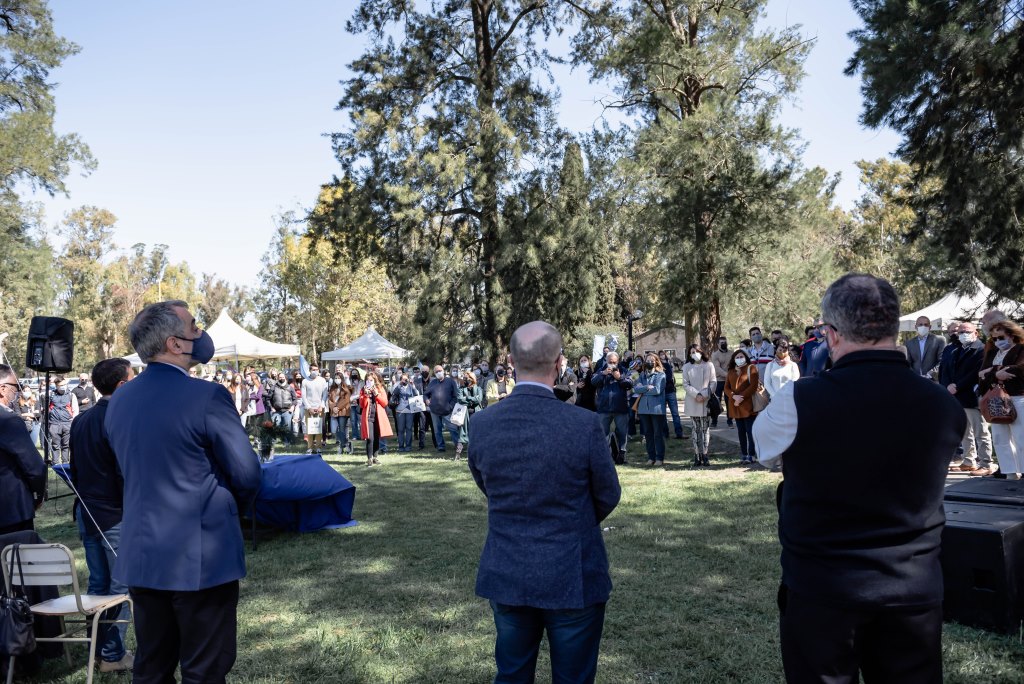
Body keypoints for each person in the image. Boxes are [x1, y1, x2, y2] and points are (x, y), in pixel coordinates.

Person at [754, 273, 965, 683]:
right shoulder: (941, 405)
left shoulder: (799, 400)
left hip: (823, 589)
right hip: (912, 588)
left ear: (831, 336)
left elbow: (765, 454)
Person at [104, 300, 261, 682]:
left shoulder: (119, 400)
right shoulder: (206, 397)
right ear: (175, 344)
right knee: (204, 669)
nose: (200, 334)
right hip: (201, 557)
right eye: (194, 327)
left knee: (153, 666)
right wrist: (226, 507)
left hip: (142, 556)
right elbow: (247, 474)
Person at [468, 321, 621, 684]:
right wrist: (574, 521)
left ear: (510, 361)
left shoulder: (483, 424)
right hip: (572, 567)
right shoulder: (583, 424)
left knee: (512, 673)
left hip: (509, 565)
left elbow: (486, 483)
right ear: (559, 363)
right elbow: (608, 494)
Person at [69, 358, 135, 673]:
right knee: (120, 588)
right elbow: (126, 472)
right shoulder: (120, 418)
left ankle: (98, 650)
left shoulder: (80, 420)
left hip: (87, 511)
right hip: (113, 514)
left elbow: (75, 470)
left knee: (98, 586)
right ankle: (110, 655)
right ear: (122, 385)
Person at [0, 365, 46, 534]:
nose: (18, 392)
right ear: (3, 389)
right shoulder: (8, 420)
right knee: (15, 559)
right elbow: (34, 467)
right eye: (16, 387)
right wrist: (38, 496)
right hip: (10, 510)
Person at [946, 322, 996, 475]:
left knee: (980, 431)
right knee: (965, 431)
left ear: (976, 333)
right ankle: (969, 460)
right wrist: (948, 385)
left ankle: (986, 462)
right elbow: (947, 370)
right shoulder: (956, 349)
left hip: (972, 395)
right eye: (960, 332)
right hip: (957, 396)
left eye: (967, 331)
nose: (963, 334)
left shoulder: (980, 350)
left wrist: (958, 386)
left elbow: (976, 372)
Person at [978, 320, 1024, 479]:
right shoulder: (991, 353)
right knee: (999, 437)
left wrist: (991, 371)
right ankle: (1009, 472)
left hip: (1017, 398)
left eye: (1001, 337)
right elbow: (981, 376)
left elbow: (1019, 370)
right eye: (994, 338)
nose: (997, 341)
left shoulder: (1020, 350)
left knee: (1021, 437)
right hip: (995, 399)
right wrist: (996, 373)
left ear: (1011, 335)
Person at [592, 351, 633, 465]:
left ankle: (622, 455)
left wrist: (620, 378)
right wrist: (603, 374)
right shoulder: (601, 369)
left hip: (620, 407)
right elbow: (593, 382)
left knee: (622, 432)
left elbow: (629, 384)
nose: (612, 364)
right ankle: (605, 456)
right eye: (610, 362)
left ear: (618, 361)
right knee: (602, 433)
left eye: (614, 362)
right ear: (606, 361)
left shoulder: (623, 370)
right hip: (604, 408)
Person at [682, 346, 716, 466]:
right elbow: (685, 384)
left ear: (702, 352)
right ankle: (697, 454)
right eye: (692, 352)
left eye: (697, 351)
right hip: (693, 400)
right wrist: (696, 394)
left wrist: (704, 394)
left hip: (706, 401)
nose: (695, 354)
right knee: (695, 429)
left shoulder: (709, 365)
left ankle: (705, 454)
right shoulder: (686, 367)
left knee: (705, 428)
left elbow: (713, 382)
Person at [725, 350, 758, 464]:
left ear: (745, 357)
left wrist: (741, 397)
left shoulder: (751, 368)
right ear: (734, 359)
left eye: (741, 356)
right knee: (741, 431)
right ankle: (744, 454)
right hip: (735, 406)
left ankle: (752, 454)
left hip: (748, 405)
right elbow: (726, 388)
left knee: (750, 431)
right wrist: (734, 397)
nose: (739, 358)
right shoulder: (730, 371)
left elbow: (753, 386)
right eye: (737, 357)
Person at [633, 354, 667, 466]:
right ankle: (651, 457)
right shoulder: (642, 375)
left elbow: (657, 390)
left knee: (657, 434)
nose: (649, 362)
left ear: (656, 362)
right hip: (643, 409)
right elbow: (636, 389)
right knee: (648, 434)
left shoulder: (661, 375)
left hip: (656, 409)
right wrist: (647, 387)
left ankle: (659, 458)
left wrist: (643, 389)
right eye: (647, 360)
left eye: (652, 360)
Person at [359, 371, 392, 466]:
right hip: (368, 417)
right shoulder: (363, 389)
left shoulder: (380, 388)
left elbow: (385, 403)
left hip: (378, 417)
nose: (369, 382)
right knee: (370, 438)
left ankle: (375, 457)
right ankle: (369, 458)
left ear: (375, 380)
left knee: (377, 438)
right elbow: (362, 405)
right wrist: (365, 395)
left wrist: (376, 394)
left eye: (371, 380)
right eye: (367, 380)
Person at [424, 365, 459, 453]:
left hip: (447, 411)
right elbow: (425, 394)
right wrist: (427, 400)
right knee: (437, 430)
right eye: (436, 372)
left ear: (443, 371)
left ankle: (458, 446)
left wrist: (450, 406)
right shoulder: (432, 383)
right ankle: (441, 447)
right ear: (434, 374)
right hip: (435, 411)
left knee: (453, 429)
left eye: (440, 371)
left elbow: (455, 396)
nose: (438, 373)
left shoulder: (450, 381)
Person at [48, 375, 79, 464]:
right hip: (54, 424)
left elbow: (75, 409)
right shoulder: (51, 394)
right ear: (56, 386)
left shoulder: (71, 395)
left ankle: (65, 463)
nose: (63, 387)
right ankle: (55, 463)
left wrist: (72, 421)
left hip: (67, 423)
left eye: (64, 384)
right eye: (60, 385)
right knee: (55, 445)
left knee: (66, 445)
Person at [906, 315, 946, 379]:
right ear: (916, 327)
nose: (923, 326)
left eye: (926, 325)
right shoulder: (909, 343)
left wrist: (930, 374)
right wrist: (914, 376)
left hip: (933, 381)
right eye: (920, 324)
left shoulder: (939, 340)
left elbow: (942, 361)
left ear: (930, 327)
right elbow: (908, 363)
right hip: (915, 380)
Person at [455, 370, 484, 459]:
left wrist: (467, 398)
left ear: (472, 379)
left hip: (476, 413)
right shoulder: (461, 389)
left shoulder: (478, 388)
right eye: (465, 378)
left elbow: (479, 400)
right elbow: (460, 400)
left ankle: (476, 453)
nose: (466, 380)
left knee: (476, 433)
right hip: (464, 414)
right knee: (462, 433)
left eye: (468, 378)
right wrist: (473, 399)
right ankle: (458, 454)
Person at [301, 363, 328, 454]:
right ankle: (310, 447)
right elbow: (303, 396)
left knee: (319, 428)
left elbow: (325, 394)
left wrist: (321, 405)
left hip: (320, 408)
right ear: (310, 370)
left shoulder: (322, 380)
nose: (315, 371)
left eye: (317, 369)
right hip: (309, 408)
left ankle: (319, 447)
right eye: (313, 369)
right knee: (310, 429)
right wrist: (309, 408)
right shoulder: (305, 381)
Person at [391, 372, 420, 453]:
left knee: (409, 428)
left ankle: (408, 446)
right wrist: (400, 384)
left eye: (406, 379)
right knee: (400, 429)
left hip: (409, 409)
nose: (405, 381)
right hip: (400, 410)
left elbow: (417, 394)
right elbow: (393, 393)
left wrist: (413, 385)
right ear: (400, 380)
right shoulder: (398, 386)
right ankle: (401, 446)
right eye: (403, 379)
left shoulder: (411, 386)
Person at [268, 372, 297, 445]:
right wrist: (271, 407)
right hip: (276, 411)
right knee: (275, 425)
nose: (281, 378)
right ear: (278, 378)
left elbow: (295, 399)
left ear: (285, 378)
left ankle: (286, 441)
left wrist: (293, 407)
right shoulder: (273, 387)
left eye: (283, 377)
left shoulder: (290, 387)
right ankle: (273, 440)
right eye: (280, 377)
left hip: (287, 410)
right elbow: (268, 399)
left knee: (287, 427)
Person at [328, 372, 353, 455]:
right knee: (336, 430)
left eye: (338, 378)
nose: (337, 380)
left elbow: (346, 400)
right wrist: (333, 407)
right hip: (334, 412)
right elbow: (330, 400)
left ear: (342, 379)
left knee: (342, 429)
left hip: (343, 411)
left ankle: (342, 447)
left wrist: (338, 407)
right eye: (335, 378)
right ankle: (346, 444)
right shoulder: (332, 388)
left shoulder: (346, 388)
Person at [710, 335, 732, 428]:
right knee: (716, 402)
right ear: (718, 344)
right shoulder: (715, 355)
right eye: (722, 343)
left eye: (725, 342)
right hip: (719, 381)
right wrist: (728, 375)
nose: (724, 344)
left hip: (730, 381)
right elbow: (717, 368)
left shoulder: (732, 353)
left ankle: (730, 421)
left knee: (729, 401)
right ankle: (714, 421)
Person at [660, 351, 684, 439]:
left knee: (675, 413)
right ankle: (665, 434)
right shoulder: (658, 367)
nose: (662, 356)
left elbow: (670, 377)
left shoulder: (668, 365)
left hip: (670, 391)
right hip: (662, 392)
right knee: (663, 414)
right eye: (660, 355)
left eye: (663, 354)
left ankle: (679, 433)